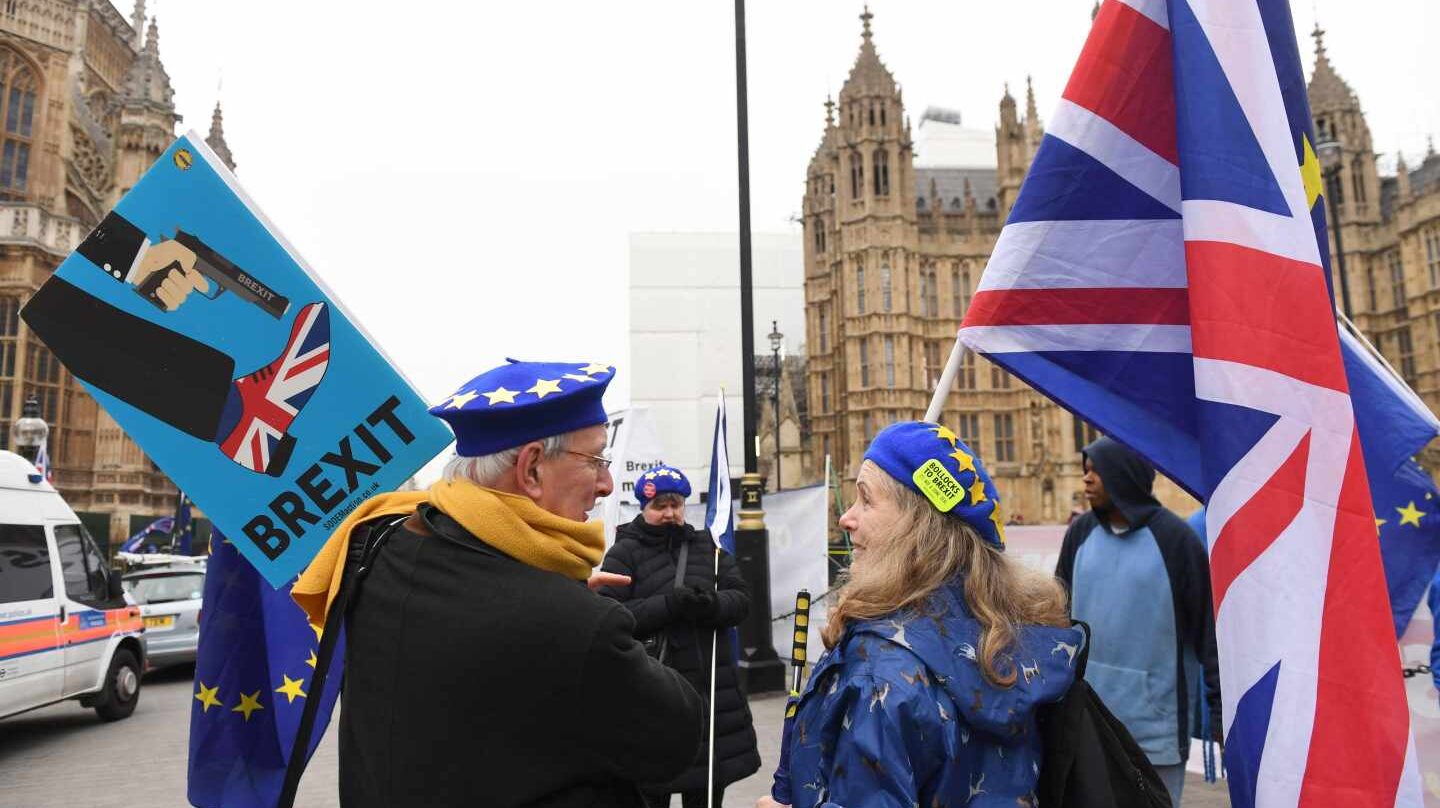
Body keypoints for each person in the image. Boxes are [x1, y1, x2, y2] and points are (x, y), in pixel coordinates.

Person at [293, 359, 705, 808]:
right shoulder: (576, 623)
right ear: (531, 469)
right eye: (595, 460)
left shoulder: (379, 546)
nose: (607, 484)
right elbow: (676, 740)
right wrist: (570, 606)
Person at [761, 421, 1083, 808]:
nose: (846, 518)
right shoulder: (1016, 637)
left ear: (918, 525)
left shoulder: (881, 671)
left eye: (866, 500)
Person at [1056, 436, 1222, 804]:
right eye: (1085, 470)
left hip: (1156, 732)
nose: (1086, 479)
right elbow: (1056, 621)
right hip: (1089, 726)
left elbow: (1210, 640)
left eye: (1096, 471)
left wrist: (1222, 720)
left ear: (1124, 474)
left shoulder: (1176, 541)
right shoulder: (1079, 534)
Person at [598, 465, 761, 807]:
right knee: (651, 792)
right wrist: (669, 605)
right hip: (653, 694)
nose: (670, 513)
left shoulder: (708, 549)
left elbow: (742, 600)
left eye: (676, 504)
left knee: (705, 794)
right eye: (660, 506)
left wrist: (710, 604)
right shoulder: (623, 554)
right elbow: (612, 617)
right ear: (644, 507)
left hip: (710, 695)